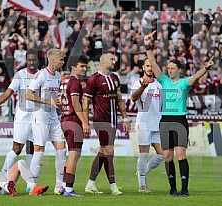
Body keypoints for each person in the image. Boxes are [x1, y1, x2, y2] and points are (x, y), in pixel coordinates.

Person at [144, 31, 214, 197]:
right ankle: (173, 189)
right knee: (167, 156)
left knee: (181, 155)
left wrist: (205, 68)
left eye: (172, 68)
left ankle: (185, 189)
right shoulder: (163, 80)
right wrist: (148, 46)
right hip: (165, 121)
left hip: (180, 120)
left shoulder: (184, 83)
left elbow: (196, 76)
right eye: (168, 68)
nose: (169, 70)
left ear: (179, 70)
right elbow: (153, 62)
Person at [0, 48, 40, 172]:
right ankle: (2, 177)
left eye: (34, 60)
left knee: (33, 149)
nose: (31, 62)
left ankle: (30, 184)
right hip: (22, 117)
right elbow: (8, 92)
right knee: (17, 149)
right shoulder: (20, 75)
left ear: (38, 61)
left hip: (36, 118)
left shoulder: (42, 75)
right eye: (29, 60)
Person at [83, 51, 129, 195]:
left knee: (103, 151)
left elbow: (119, 100)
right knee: (109, 150)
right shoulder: (94, 79)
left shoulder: (115, 78)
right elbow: (86, 102)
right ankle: (113, 186)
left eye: (114, 59)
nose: (114, 61)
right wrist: (85, 122)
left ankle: (90, 183)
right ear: (102, 61)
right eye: (111, 59)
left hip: (113, 120)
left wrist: (125, 118)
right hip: (100, 120)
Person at [26, 48, 67, 195]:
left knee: (62, 149)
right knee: (39, 151)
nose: (63, 62)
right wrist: (46, 101)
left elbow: (54, 99)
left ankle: (59, 186)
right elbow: (28, 95)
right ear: (53, 59)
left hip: (53, 117)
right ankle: (31, 186)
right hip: (40, 117)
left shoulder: (58, 76)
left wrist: (60, 109)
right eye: (61, 59)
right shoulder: (41, 75)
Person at [130, 58, 164, 193]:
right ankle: (142, 185)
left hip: (157, 122)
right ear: (143, 68)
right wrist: (143, 87)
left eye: (152, 66)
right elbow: (133, 98)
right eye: (147, 66)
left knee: (162, 154)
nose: (150, 68)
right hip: (143, 122)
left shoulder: (159, 85)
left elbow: (160, 105)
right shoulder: (136, 82)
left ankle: (142, 172)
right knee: (144, 154)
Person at [59, 55, 90, 197]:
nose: (84, 68)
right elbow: (76, 103)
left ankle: (64, 186)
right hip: (73, 119)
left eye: (85, 66)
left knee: (73, 154)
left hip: (65, 118)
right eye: (81, 66)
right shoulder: (75, 82)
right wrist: (84, 121)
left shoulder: (64, 81)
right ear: (73, 67)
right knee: (74, 153)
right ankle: (69, 189)